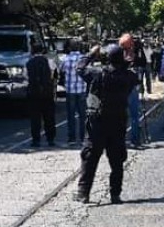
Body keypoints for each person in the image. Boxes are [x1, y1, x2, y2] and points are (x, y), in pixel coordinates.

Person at [75, 44, 138, 205]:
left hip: (98, 122)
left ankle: (83, 194)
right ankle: (115, 194)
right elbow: (131, 73)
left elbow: (80, 68)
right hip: (118, 122)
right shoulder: (129, 76)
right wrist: (127, 61)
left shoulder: (97, 74)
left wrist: (91, 53)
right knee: (117, 161)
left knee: (89, 158)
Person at [26, 43, 56, 147]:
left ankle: (36, 140)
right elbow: (53, 75)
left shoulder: (29, 63)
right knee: (49, 117)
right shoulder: (49, 61)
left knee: (35, 118)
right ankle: (50, 139)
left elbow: (27, 78)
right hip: (47, 93)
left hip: (34, 93)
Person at [59, 39, 87, 144]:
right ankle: (83, 137)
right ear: (79, 47)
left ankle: (72, 138)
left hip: (70, 90)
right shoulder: (84, 59)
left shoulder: (65, 59)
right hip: (82, 89)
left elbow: (61, 71)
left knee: (71, 115)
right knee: (83, 115)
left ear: (70, 48)